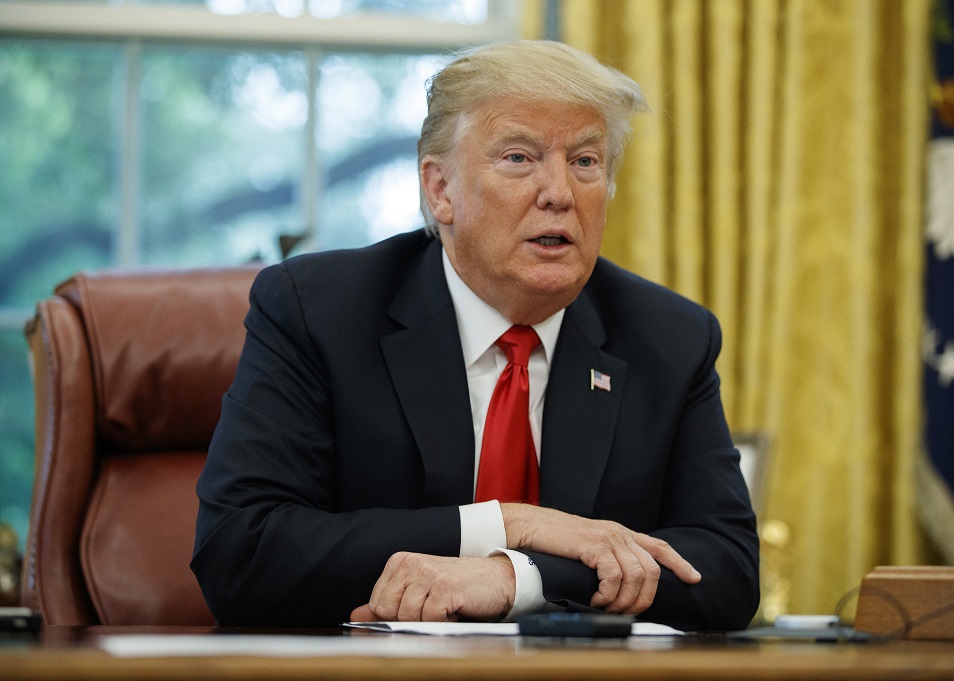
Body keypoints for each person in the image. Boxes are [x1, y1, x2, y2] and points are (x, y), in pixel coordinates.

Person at [191, 39, 759, 631]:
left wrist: (521, 574)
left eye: (586, 162)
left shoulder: (667, 338)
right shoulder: (321, 311)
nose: (560, 193)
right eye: (519, 157)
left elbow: (727, 573)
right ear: (441, 190)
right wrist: (513, 524)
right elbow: (241, 552)